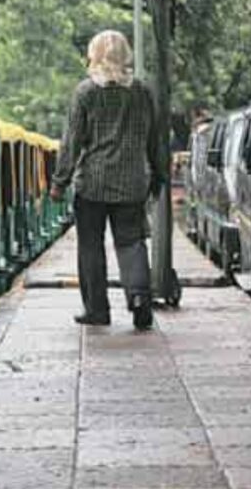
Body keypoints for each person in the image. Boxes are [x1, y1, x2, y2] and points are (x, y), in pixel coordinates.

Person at [50, 30, 165, 330]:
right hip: (132, 183)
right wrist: (158, 174)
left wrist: (59, 181)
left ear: (95, 56)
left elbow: (72, 141)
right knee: (131, 242)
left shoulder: (86, 92)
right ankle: (140, 299)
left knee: (91, 246)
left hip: (92, 185)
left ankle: (97, 310)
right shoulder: (142, 92)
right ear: (125, 55)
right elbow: (155, 139)